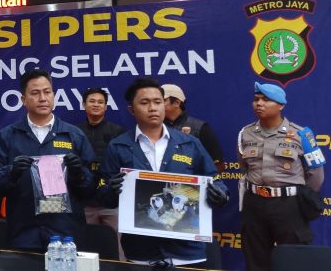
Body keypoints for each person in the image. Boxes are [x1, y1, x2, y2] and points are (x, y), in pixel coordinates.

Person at [97, 77, 229, 267]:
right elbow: (104, 195)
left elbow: (214, 179)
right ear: (131, 110)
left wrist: (221, 194)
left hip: (187, 251)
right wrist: (110, 190)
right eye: (144, 102)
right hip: (141, 251)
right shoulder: (118, 146)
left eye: (158, 102)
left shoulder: (190, 143)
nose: (152, 108)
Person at [0, 69, 95, 251]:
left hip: (65, 234)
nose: (43, 98)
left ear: (54, 95)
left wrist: (79, 174)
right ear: (23, 99)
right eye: (35, 93)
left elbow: (91, 188)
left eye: (47, 92)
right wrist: (11, 172)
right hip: (23, 233)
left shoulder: (74, 135)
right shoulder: (7, 136)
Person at [238, 82, 325, 271]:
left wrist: (294, 195)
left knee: (295, 259)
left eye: (266, 100)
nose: (259, 103)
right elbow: (245, 166)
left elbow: (316, 175)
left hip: (288, 205)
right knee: (256, 259)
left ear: (281, 105)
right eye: (256, 99)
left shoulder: (302, 134)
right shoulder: (246, 133)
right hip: (254, 203)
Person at [75, 87, 125, 259]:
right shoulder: (75, 132)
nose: (96, 105)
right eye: (92, 101)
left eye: (100, 102)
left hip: (112, 204)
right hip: (85, 203)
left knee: (118, 249)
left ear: (105, 107)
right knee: (85, 249)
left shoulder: (118, 132)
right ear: (84, 104)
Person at [161, 83, 225, 172]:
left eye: (162, 100)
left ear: (177, 103)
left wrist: (197, 180)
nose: (157, 105)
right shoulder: (155, 128)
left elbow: (218, 164)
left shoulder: (201, 128)